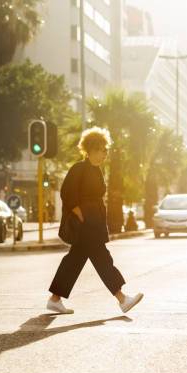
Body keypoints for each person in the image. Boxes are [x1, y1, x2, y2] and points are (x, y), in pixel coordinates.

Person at [47, 127, 144, 314]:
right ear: (90, 149)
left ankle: (55, 298)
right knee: (102, 258)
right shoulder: (79, 168)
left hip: (93, 222)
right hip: (86, 224)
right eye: (101, 149)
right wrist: (81, 215)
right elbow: (67, 193)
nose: (104, 153)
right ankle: (122, 299)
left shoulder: (96, 170)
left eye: (106, 150)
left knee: (74, 260)